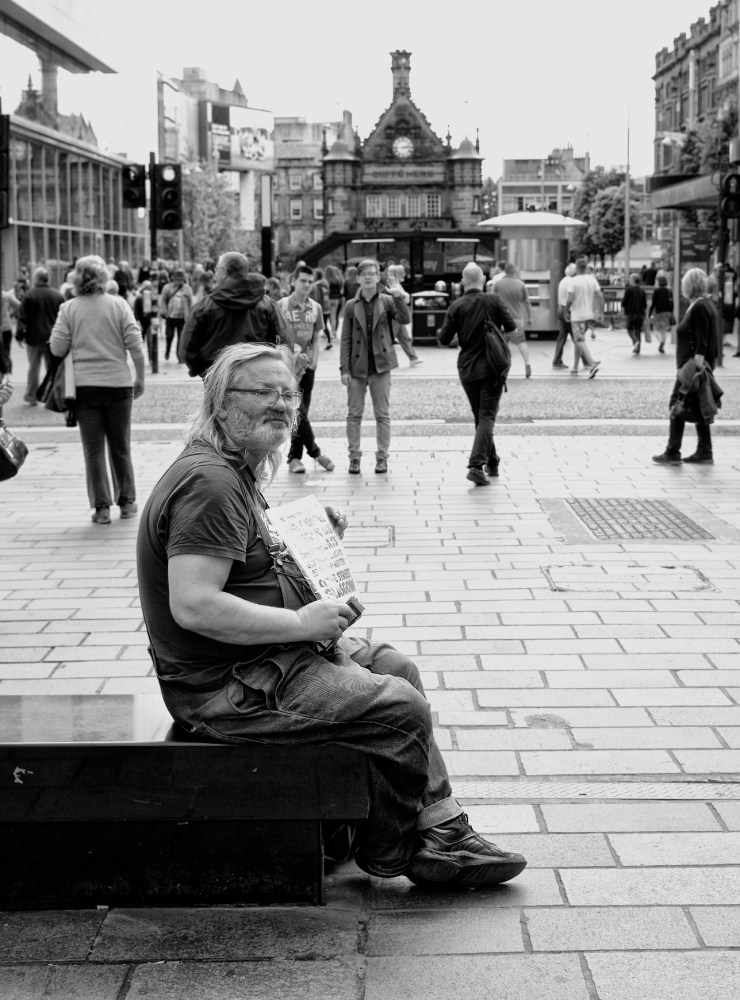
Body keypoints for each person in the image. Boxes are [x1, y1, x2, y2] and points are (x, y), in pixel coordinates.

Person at [135, 341, 527, 889]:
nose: (279, 404)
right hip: (224, 687)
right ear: (221, 403)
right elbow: (195, 604)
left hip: (262, 661)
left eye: (287, 394)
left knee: (397, 668)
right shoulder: (212, 483)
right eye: (262, 392)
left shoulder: (234, 469)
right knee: (400, 709)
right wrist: (301, 624)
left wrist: (308, 542)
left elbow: (247, 565)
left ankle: (442, 827)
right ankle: (394, 848)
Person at [50, 255, 146, 524]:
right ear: (105, 277)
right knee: (121, 447)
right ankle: (127, 503)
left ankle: (101, 508)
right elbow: (135, 345)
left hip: (85, 388)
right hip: (118, 384)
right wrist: (140, 378)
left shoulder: (68, 308)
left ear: (76, 279)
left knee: (93, 450)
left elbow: (57, 347)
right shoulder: (119, 305)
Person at [438, 263, 517, 485]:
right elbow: (511, 328)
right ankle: (475, 465)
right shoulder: (493, 300)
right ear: (482, 279)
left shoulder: (457, 305)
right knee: (487, 416)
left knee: (481, 416)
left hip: (468, 369)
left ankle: (492, 461)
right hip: (493, 366)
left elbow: (444, 340)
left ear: (464, 281)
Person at [339, 259, 410, 475]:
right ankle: (354, 458)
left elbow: (405, 319)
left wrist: (398, 295)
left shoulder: (388, 301)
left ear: (378, 277)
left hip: (381, 366)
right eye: (364, 274)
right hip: (357, 367)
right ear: (358, 278)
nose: (368, 277)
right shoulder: (351, 305)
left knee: (382, 415)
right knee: (354, 414)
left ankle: (382, 458)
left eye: (372, 273)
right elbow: (346, 339)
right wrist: (344, 369)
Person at [182, 252, 290, 378]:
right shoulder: (267, 305)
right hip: (257, 375)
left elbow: (186, 348)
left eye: (216, 269)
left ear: (224, 272)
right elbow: (284, 341)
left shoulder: (204, 306)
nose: (215, 274)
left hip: (217, 375)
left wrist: (204, 371)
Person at [653, 268, 718, 466]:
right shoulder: (705, 305)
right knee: (699, 405)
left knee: (676, 403)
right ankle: (705, 450)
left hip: (692, 366)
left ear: (689, 285)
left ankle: (673, 451)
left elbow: (701, 341)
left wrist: (694, 368)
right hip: (696, 365)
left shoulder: (699, 307)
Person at [277, 264, 335, 474]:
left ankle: (294, 459)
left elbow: (317, 338)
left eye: (310, 282)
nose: (307, 285)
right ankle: (316, 452)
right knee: (296, 411)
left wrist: (315, 361)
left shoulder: (316, 308)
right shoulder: (282, 305)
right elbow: (276, 337)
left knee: (302, 413)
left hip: (308, 367)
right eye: (303, 280)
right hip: (288, 368)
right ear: (294, 281)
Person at [16, 267, 64, 406]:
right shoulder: (57, 295)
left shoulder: (29, 295)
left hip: (33, 337)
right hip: (53, 338)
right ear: (48, 279)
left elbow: (22, 317)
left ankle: (31, 396)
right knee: (52, 368)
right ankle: (53, 395)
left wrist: (20, 336)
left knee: (33, 368)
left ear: (36, 279)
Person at [493, 263, 532, 378]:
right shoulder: (521, 284)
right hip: (517, 319)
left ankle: (505, 368)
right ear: (514, 272)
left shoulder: (498, 284)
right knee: (521, 342)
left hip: (501, 319)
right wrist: (530, 318)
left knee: (503, 344)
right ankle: (527, 362)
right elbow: (527, 303)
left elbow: (491, 300)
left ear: (505, 271)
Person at [565, 258, 602, 378]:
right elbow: (600, 295)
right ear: (586, 267)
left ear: (576, 267)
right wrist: (601, 311)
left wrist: (566, 311)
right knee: (579, 341)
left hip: (577, 316)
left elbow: (570, 299)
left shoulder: (573, 281)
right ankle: (575, 367)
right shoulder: (592, 279)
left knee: (578, 340)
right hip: (589, 315)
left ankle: (591, 364)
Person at [387, 264, 422, 367]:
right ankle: (385, 360)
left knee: (404, 337)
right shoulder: (393, 283)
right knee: (389, 339)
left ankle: (413, 358)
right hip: (396, 314)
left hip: (399, 314)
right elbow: (402, 297)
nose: (404, 274)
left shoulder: (394, 283)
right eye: (402, 272)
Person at [158, 268, 193, 362]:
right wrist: (164, 312)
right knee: (169, 336)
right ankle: (167, 350)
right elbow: (163, 300)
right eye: (177, 279)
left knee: (181, 338)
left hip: (182, 318)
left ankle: (179, 357)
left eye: (181, 279)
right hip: (170, 316)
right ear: (173, 279)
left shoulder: (187, 289)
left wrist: (190, 315)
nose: (179, 281)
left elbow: (190, 303)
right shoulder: (167, 288)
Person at [553, 263, 576, 369]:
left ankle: (557, 360)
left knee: (562, 336)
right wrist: (567, 311)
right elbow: (570, 299)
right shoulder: (571, 282)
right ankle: (587, 360)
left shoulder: (563, 281)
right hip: (567, 310)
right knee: (577, 336)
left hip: (561, 308)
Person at [621, 273, 648, 354]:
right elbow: (645, 304)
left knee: (629, 329)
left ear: (632, 280)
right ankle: (637, 349)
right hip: (640, 313)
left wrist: (622, 311)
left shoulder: (628, 290)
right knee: (638, 330)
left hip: (630, 312)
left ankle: (635, 341)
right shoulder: (642, 290)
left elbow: (624, 302)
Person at [649, 274, 674, 354]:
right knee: (663, 330)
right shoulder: (669, 291)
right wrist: (671, 312)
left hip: (659, 313)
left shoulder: (657, 291)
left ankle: (661, 342)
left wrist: (650, 313)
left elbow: (653, 304)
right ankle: (662, 345)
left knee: (655, 329)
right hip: (668, 313)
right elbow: (672, 303)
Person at [310, 268, 332, 348]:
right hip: (327, 307)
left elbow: (316, 298)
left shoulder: (316, 286)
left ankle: (312, 344)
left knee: (316, 327)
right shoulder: (325, 283)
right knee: (325, 325)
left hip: (320, 307)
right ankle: (329, 341)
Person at [325, 265, 345, 347]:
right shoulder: (338, 280)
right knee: (335, 316)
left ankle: (331, 332)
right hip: (337, 299)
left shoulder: (327, 280)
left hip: (329, 299)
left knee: (329, 316)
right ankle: (334, 332)